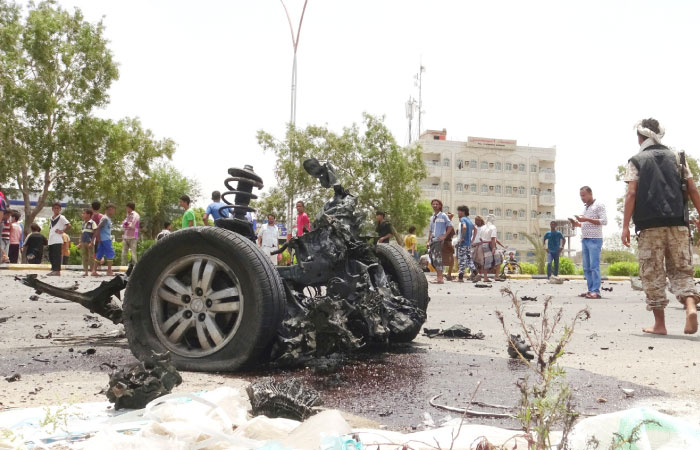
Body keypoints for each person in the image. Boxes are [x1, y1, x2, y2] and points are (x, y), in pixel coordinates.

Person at [622, 118, 700, 335]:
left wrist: (625, 226)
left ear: (640, 137)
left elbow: (631, 193)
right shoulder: (677, 158)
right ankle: (691, 307)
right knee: (682, 270)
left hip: (649, 225)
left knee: (652, 272)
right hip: (678, 223)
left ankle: (660, 324)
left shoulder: (636, 160)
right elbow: (693, 189)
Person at [571, 186, 607, 299]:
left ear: (590, 194)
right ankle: (590, 290)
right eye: (581, 196)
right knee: (586, 267)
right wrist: (578, 224)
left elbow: (604, 221)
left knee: (594, 266)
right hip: (585, 239)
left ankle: (596, 291)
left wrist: (586, 219)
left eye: (584, 195)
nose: (582, 198)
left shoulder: (599, 205)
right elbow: (587, 224)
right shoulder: (586, 208)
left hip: (594, 240)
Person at [427, 199, 452, 284]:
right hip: (432, 240)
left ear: (440, 206)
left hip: (439, 240)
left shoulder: (443, 215)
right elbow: (430, 230)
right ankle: (439, 276)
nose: (435, 205)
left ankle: (440, 278)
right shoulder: (432, 217)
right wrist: (428, 241)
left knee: (437, 258)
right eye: (433, 204)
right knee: (432, 259)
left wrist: (444, 236)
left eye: (437, 204)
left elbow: (450, 226)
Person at [47, 202, 70, 276]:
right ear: (52, 209)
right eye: (55, 208)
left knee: (57, 255)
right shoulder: (51, 218)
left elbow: (68, 225)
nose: (56, 209)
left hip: (57, 239)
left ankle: (57, 270)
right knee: (51, 255)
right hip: (51, 239)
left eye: (58, 208)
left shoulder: (61, 217)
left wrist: (62, 231)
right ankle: (54, 269)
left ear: (60, 209)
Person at [93, 204, 116, 276]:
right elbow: (98, 227)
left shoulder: (107, 218)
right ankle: (109, 270)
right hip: (105, 239)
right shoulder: (105, 218)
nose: (112, 211)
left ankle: (94, 271)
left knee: (99, 254)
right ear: (107, 210)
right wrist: (98, 238)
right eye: (111, 209)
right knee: (110, 253)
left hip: (103, 239)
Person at [455, 205, 475, 282]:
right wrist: (471, 239)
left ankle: (460, 278)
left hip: (463, 243)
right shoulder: (469, 220)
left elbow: (464, 227)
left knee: (461, 260)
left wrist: (462, 237)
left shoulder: (463, 219)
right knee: (469, 259)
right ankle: (476, 273)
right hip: (468, 244)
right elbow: (475, 229)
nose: (458, 213)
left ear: (463, 212)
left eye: (459, 211)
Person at [78, 209, 96, 276]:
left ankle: (92, 271)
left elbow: (95, 232)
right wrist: (80, 242)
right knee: (84, 257)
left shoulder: (92, 223)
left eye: (84, 213)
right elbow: (82, 233)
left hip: (89, 242)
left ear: (88, 215)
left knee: (91, 257)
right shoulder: (83, 223)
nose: (82, 215)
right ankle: (86, 271)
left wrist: (92, 241)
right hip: (83, 242)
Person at [442, 212, 456, 281]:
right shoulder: (448, 224)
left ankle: (447, 274)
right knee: (451, 259)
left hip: (444, 243)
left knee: (445, 259)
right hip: (447, 243)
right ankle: (448, 274)